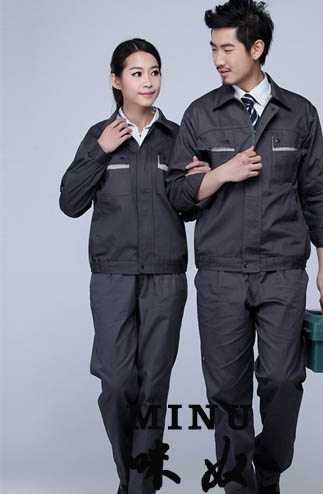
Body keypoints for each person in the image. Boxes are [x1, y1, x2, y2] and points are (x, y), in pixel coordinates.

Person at [166, 1, 323, 493]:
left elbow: (318, 192)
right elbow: (178, 196)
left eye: (227, 48)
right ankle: (238, 485)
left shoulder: (299, 114)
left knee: (283, 379)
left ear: (257, 48)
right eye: (213, 49)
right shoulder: (200, 114)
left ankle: (269, 470)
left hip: (282, 270)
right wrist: (221, 174)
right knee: (226, 390)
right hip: (220, 272)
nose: (218, 59)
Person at [59, 38, 209, 494]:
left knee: (153, 387)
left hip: (166, 278)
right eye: (137, 73)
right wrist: (100, 151)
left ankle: (139, 487)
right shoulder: (99, 136)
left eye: (155, 72)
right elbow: (70, 202)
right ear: (116, 80)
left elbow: (187, 209)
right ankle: (132, 478)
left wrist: (201, 182)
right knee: (117, 382)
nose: (148, 82)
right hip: (112, 277)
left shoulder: (177, 137)